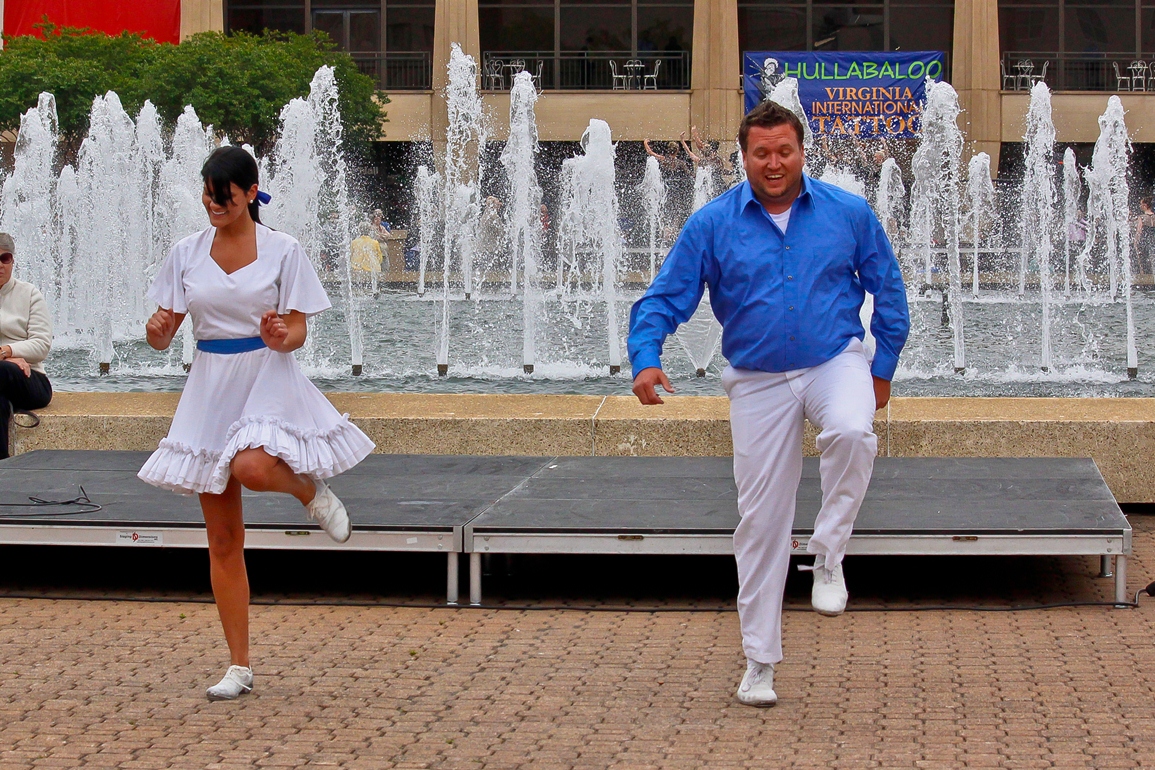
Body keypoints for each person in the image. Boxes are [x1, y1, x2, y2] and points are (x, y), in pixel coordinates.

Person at [628, 101, 909, 707]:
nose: (774, 163)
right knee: (760, 523)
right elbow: (663, 298)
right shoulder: (712, 223)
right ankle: (760, 662)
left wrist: (881, 367)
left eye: (785, 151)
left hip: (834, 360)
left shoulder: (848, 213)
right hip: (756, 379)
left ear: (801, 151)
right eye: (762, 153)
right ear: (745, 156)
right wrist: (647, 357)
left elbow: (889, 290)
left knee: (853, 432)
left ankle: (828, 552)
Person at [138, 146, 376, 702]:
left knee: (251, 466)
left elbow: (297, 330)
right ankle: (238, 665)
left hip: (266, 375)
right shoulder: (186, 253)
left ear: (250, 193)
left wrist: (281, 335)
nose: (214, 205)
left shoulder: (283, 250)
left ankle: (309, 491)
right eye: (208, 195)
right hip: (209, 384)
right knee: (223, 539)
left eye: (224, 196)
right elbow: (163, 333)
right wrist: (156, 331)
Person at [0, 233, 52, 460]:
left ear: (12, 261)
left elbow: (41, 345)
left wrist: (7, 352)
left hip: (30, 379)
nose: (0, 265)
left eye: (5, 258)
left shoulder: (29, 293)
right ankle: (4, 468)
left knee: (5, 369)